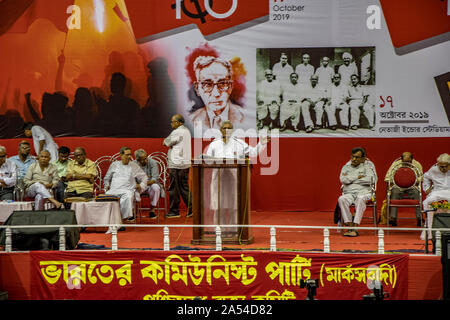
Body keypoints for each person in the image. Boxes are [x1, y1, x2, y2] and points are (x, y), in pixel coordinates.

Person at [205, 120, 269, 233]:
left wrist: (262, 143)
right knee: (218, 206)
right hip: (218, 180)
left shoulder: (239, 143)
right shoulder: (214, 144)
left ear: (232, 130)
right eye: (224, 128)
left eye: (229, 128)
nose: (226, 130)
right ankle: (219, 231)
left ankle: (234, 230)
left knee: (234, 205)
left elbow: (253, 152)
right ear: (220, 130)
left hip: (234, 180)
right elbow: (206, 160)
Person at [190, 56, 244, 130]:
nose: (216, 94)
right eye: (207, 84)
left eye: (222, 83)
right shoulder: (191, 120)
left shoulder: (244, 117)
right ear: (197, 89)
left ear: (230, 87)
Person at [338, 147, 377, 237]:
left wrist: (350, 179)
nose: (354, 159)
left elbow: (369, 180)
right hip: (349, 193)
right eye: (353, 156)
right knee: (341, 199)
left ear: (363, 158)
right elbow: (343, 180)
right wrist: (358, 176)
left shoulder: (368, 166)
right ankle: (350, 225)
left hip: (364, 192)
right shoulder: (346, 166)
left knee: (360, 199)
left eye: (357, 157)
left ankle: (355, 227)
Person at [104, 147, 148, 221]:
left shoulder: (133, 165)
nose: (129, 157)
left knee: (128, 197)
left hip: (127, 190)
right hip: (113, 190)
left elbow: (144, 178)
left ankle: (121, 219)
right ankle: (109, 219)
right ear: (121, 155)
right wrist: (107, 186)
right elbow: (106, 178)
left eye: (130, 155)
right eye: (127, 155)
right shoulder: (114, 164)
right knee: (105, 198)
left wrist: (140, 186)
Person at [163, 114, 192, 218]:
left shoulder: (177, 131)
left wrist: (166, 141)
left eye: (173, 121)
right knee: (184, 187)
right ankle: (192, 208)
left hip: (176, 164)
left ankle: (174, 211)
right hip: (185, 163)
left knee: (173, 188)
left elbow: (166, 142)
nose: (171, 124)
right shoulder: (187, 131)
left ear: (179, 122)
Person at [383, 152, 423, 226]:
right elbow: (387, 178)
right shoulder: (396, 165)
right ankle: (393, 218)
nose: (407, 164)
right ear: (401, 160)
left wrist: (411, 180)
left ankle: (419, 218)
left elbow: (421, 178)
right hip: (398, 186)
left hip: (412, 187)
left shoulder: (417, 165)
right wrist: (398, 180)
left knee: (417, 193)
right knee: (394, 192)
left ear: (412, 159)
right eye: (404, 162)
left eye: (409, 162)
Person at [134, 149, 162, 219]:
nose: (145, 161)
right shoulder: (133, 164)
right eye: (142, 160)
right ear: (138, 160)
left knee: (156, 188)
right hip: (139, 186)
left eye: (145, 158)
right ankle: (133, 212)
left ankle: (152, 210)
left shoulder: (152, 162)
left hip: (150, 184)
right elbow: (132, 179)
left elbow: (154, 178)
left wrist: (144, 183)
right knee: (130, 190)